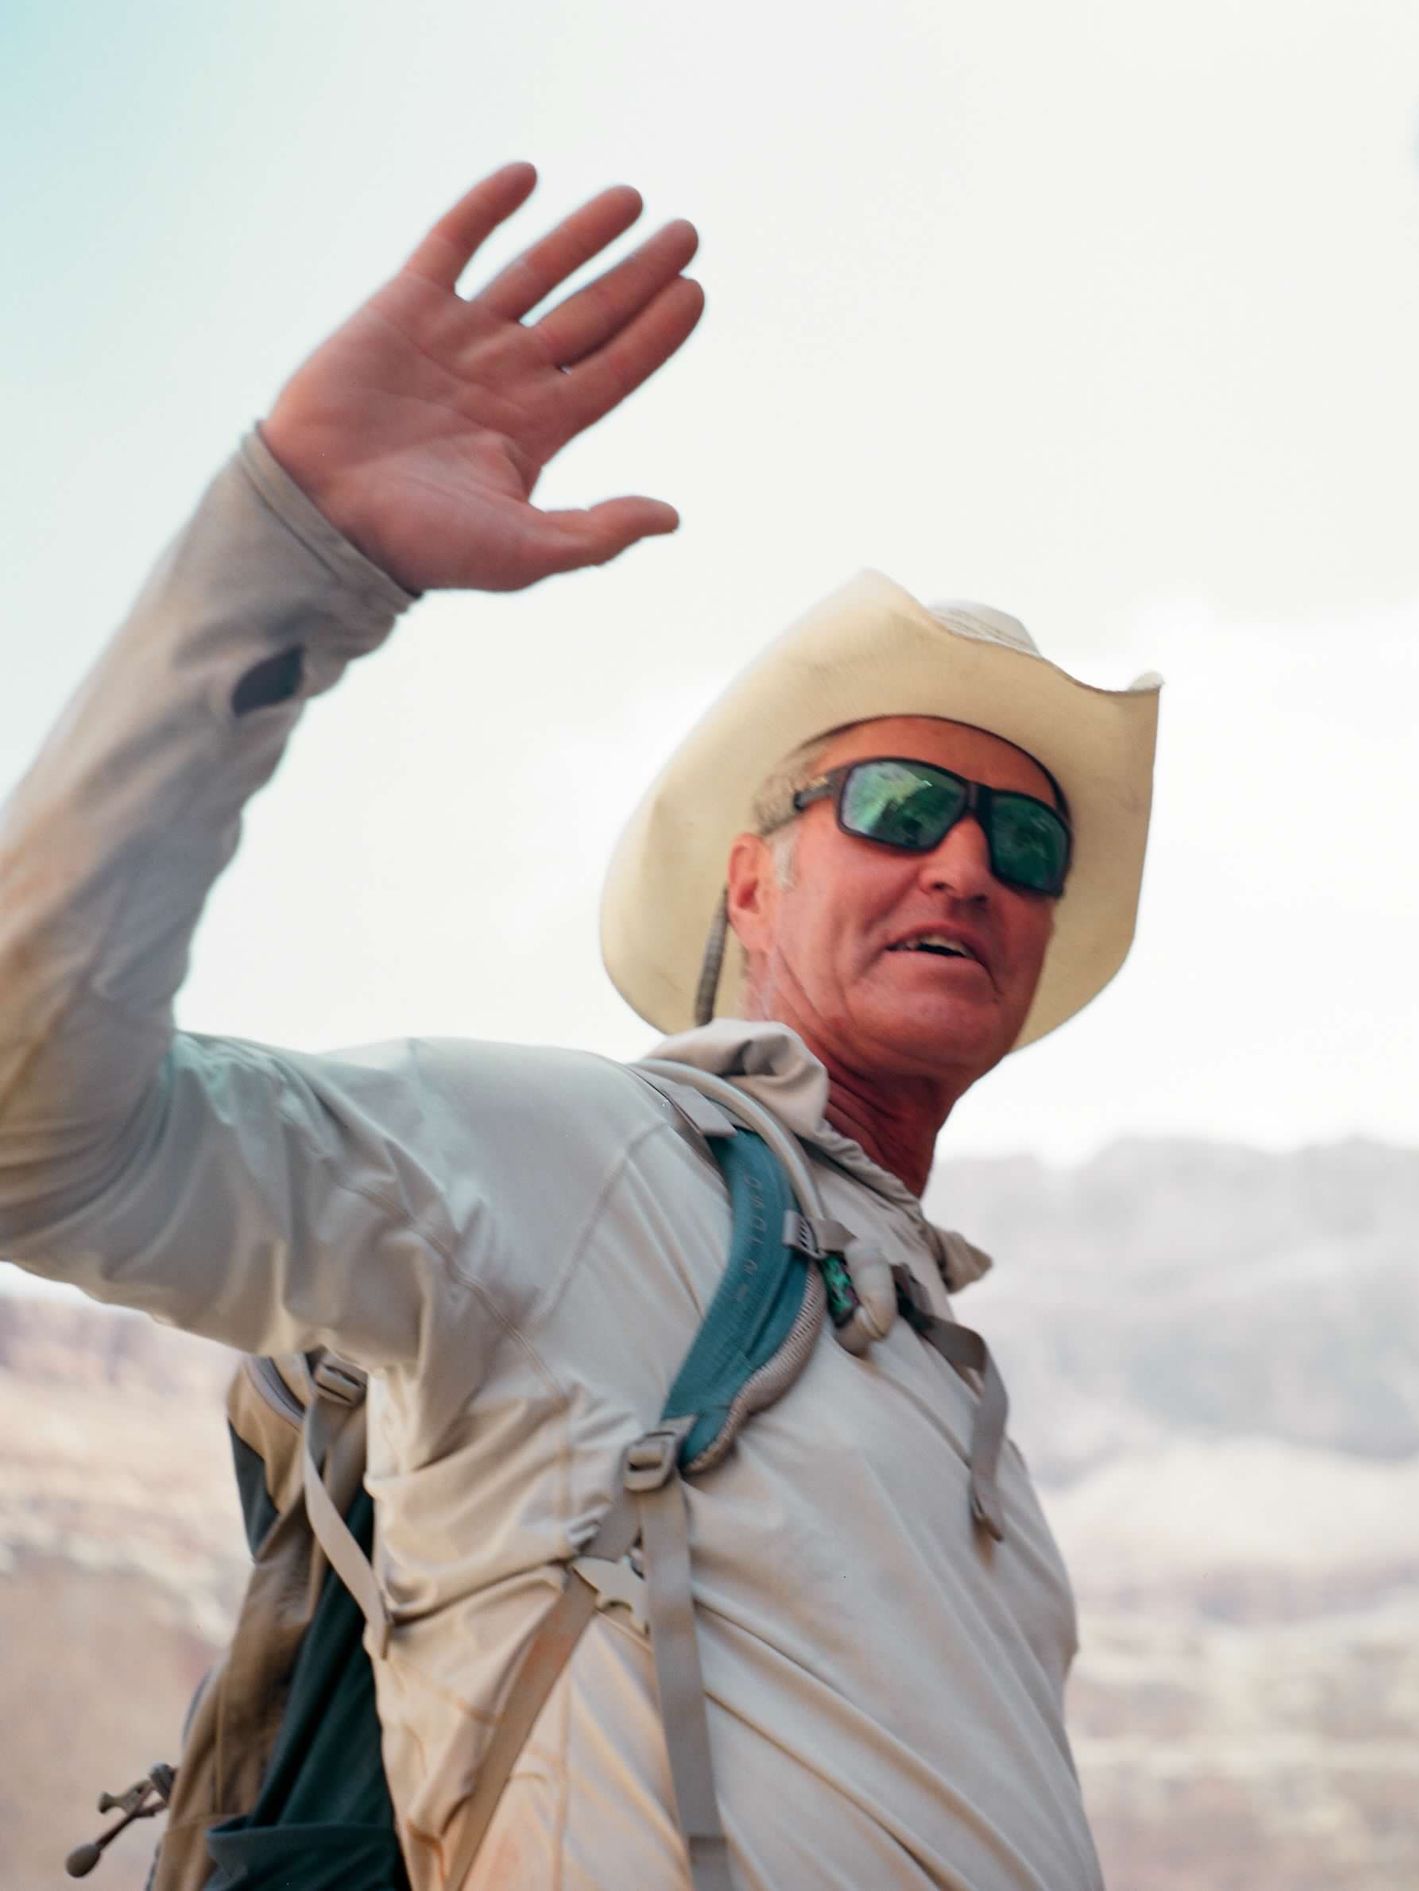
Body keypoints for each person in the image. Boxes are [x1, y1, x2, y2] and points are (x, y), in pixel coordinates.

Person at [0, 162, 1159, 1889]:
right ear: (751, 890)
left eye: (1032, 837)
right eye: (904, 804)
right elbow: (41, 1135)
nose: (974, 862)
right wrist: (287, 558)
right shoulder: (576, 1167)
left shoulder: (946, 1380)